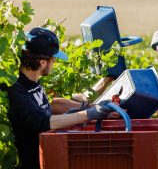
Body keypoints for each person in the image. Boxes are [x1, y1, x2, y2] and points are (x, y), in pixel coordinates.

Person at [7, 27, 114, 169]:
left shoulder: (33, 82)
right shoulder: (17, 89)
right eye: (53, 59)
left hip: (51, 158)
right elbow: (43, 122)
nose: (54, 63)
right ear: (42, 62)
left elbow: (51, 107)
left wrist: (93, 107)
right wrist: (89, 114)